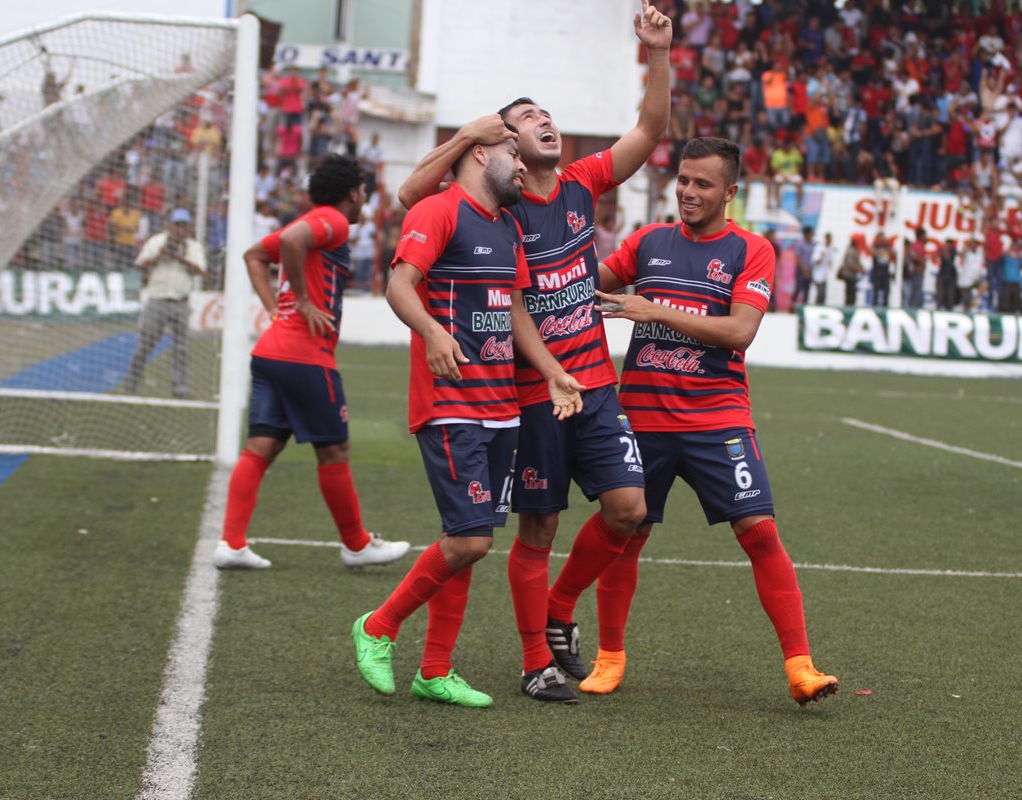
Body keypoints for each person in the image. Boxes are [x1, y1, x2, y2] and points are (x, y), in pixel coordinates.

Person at [394, 0, 672, 701]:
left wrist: (658, 52)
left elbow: (650, 128)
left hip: (595, 384)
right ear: (506, 144)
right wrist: (467, 137)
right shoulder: (498, 200)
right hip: (526, 393)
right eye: (526, 119)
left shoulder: (582, 182)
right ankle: (534, 662)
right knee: (537, 527)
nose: (544, 121)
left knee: (628, 508)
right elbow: (411, 195)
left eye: (546, 113)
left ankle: (557, 612)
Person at [594, 137, 838, 706]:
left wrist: (652, 308)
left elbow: (739, 331)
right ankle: (609, 658)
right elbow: (586, 282)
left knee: (759, 532)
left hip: (717, 419)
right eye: (683, 180)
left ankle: (801, 667)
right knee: (627, 536)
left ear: (730, 192)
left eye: (703, 184)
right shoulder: (647, 243)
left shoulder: (751, 250)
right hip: (644, 419)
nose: (688, 192)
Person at [352, 133, 586, 708]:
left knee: (465, 540)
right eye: (513, 153)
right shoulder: (438, 209)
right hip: (450, 403)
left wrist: (552, 371)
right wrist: (432, 331)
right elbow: (398, 284)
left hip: (502, 408)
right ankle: (378, 626)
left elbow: (514, 308)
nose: (523, 164)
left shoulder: (507, 227)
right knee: (470, 539)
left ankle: (435, 671)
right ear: (481, 154)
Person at [213, 155, 410, 571]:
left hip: (271, 352)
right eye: (364, 194)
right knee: (335, 449)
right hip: (304, 356)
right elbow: (289, 244)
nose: (365, 203)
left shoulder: (316, 219)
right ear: (354, 193)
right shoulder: (333, 221)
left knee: (261, 447)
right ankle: (357, 545)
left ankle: (231, 543)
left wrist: (274, 310)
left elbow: (254, 254)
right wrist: (300, 303)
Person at [123, 208, 204, 398]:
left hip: (181, 301)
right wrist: (160, 256)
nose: (180, 230)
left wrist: (180, 258)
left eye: (184, 226)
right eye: (177, 225)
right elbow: (140, 265)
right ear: (168, 225)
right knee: (145, 345)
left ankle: (180, 387)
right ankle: (132, 384)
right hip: (157, 300)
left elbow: (199, 271)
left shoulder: (193, 247)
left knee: (182, 348)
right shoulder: (156, 242)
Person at [810, 230, 836, 305]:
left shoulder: (830, 249)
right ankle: (817, 307)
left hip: (824, 275)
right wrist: (821, 257)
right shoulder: (820, 248)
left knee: (824, 294)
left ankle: (821, 307)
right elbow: (814, 261)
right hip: (817, 275)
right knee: (820, 293)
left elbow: (830, 261)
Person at [837, 234, 865, 306]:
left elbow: (857, 262)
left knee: (852, 295)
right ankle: (848, 310)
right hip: (849, 275)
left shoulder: (855, 250)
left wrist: (862, 269)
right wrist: (860, 270)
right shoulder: (851, 250)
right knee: (850, 295)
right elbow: (850, 265)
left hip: (852, 276)